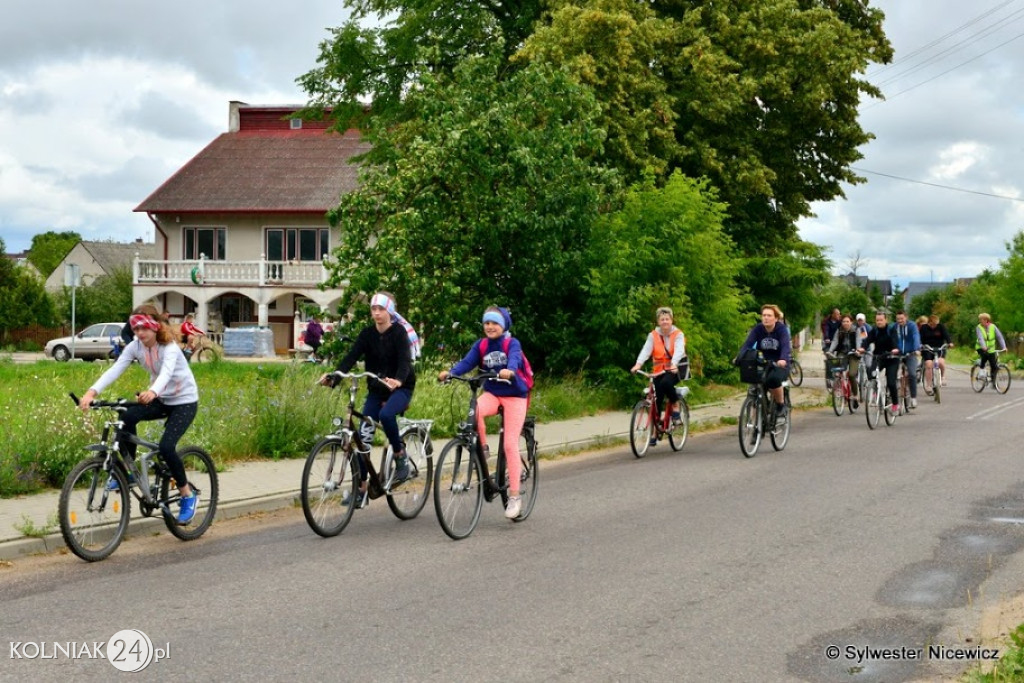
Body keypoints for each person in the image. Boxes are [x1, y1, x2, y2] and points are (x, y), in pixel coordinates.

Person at [78, 304, 200, 524]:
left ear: (155, 327)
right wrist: (91, 392)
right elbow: (116, 368)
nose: (139, 333)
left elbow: (166, 373)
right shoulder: (135, 346)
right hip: (161, 399)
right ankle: (129, 470)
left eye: (144, 328)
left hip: (184, 401)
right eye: (135, 328)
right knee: (126, 415)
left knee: (166, 447)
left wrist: (152, 391)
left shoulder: (169, 347)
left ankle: (187, 495)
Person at [321, 292, 416, 509]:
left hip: (400, 387)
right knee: (363, 437)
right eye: (373, 309)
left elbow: (405, 362)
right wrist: (334, 377)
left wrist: (399, 381)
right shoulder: (367, 335)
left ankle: (400, 457)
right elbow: (350, 357)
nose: (376, 313)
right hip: (376, 388)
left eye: (381, 309)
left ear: (389, 311)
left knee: (386, 415)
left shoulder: (399, 333)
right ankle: (362, 489)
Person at [438, 306, 530, 520]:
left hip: (515, 395)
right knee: (475, 409)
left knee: (509, 444)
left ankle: (515, 497)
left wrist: (511, 370)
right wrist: (451, 374)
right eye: (487, 323)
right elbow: (467, 363)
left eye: (495, 323)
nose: (490, 326)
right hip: (493, 392)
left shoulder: (511, 343)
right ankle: (484, 447)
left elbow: (515, 359)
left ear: (504, 325)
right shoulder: (481, 345)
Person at [629, 307, 687, 444]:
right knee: (657, 398)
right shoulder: (653, 335)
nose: (665, 321)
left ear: (671, 320)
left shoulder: (678, 334)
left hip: (674, 369)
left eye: (667, 319)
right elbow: (646, 350)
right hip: (658, 370)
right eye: (662, 319)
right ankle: (655, 431)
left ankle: (675, 405)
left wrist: (673, 364)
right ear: (658, 321)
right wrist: (638, 364)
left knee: (666, 383)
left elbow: (679, 350)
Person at [737, 304, 791, 418]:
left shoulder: (781, 330)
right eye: (764, 315)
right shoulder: (758, 329)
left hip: (779, 363)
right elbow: (747, 345)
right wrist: (739, 357)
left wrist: (783, 359)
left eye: (769, 315)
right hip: (763, 363)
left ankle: (781, 405)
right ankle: (756, 419)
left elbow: (786, 346)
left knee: (773, 379)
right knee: (754, 386)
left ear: (775, 318)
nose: (766, 318)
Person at [859, 311, 900, 414]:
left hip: (892, 358)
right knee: (871, 373)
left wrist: (895, 349)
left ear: (885, 320)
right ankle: (876, 392)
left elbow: (895, 340)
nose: (879, 322)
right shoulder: (875, 330)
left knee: (891, 382)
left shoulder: (891, 329)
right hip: (879, 357)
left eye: (881, 320)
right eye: (877, 320)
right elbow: (867, 340)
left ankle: (895, 404)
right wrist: (862, 348)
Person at [827, 314, 861, 409]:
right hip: (843, 353)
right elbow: (835, 341)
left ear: (851, 322)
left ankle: (855, 395)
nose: (845, 323)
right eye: (843, 321)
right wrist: (830, 351)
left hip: (854, 354)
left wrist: (858, 350)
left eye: (847, 321)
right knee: (838, 371)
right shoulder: (839, 330)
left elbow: (859, 341)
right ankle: (840, 387)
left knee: (851, 374)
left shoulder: (856, 330)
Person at [893, 311, 921, 408]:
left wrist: (916, 348)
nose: (900, 321)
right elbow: (889, 337)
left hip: (911, 353)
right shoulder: (894, 327)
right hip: (898, 354)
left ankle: (913, 398)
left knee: (912, 374)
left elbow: (916, 336)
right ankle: (894, 398)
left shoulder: (912, 326)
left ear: (906, 317)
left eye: (902, 318)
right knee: (893, 374)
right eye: (898, 319)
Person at [919, 314, 952, 388]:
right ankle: (929, 385)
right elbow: (919, 338)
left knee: (941, 362)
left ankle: (943, 377)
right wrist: (920, 344)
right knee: (929, 364)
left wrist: (950, 342)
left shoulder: (941, 327)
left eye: (936, 324)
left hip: (939, 348)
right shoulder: (924, 328)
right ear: (929, 323)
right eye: (933, 324)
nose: (934, 326)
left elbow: (946, 335)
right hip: (927, 348)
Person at [975, 313, 1007, 380]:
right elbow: (980, 338)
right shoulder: (979, 327)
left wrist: (1004, 347)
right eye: (980, 319)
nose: (980, 321)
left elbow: (1000, 337)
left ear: (986, 320)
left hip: (991, 349)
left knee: (993, 365)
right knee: (985, 355)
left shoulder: (993, 327)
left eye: (981, 319)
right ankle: (981, 370)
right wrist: (983, 346)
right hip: (980, 347)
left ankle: (993, 382)